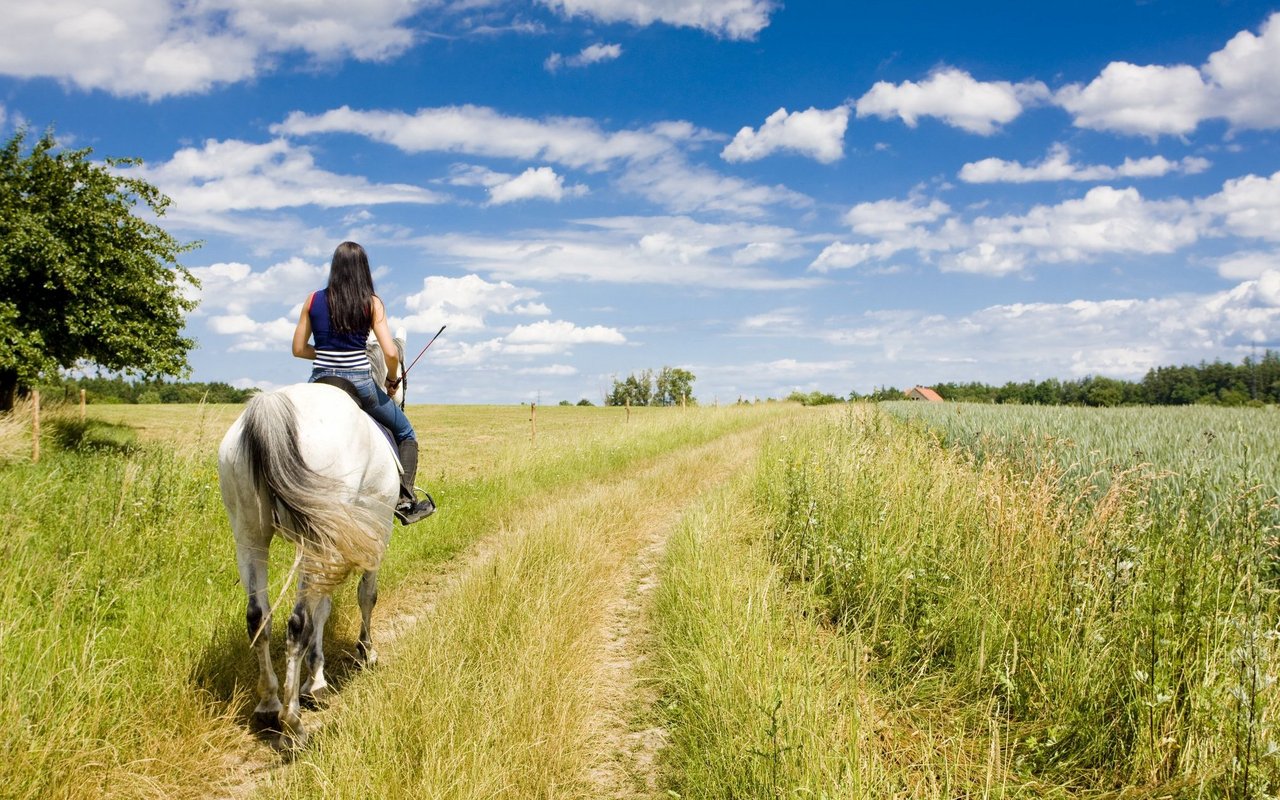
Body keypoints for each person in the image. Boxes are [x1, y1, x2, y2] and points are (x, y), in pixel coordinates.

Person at [291, 241, 435, 524]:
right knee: (406, 432)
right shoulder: (372, 302)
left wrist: (325, 352)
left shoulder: (311, 300)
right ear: (363, 269)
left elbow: (298, 349)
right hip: (359, 384)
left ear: (334, 267)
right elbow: (391, 352)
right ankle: (405, 501)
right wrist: (392, 379)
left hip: (320, 381)